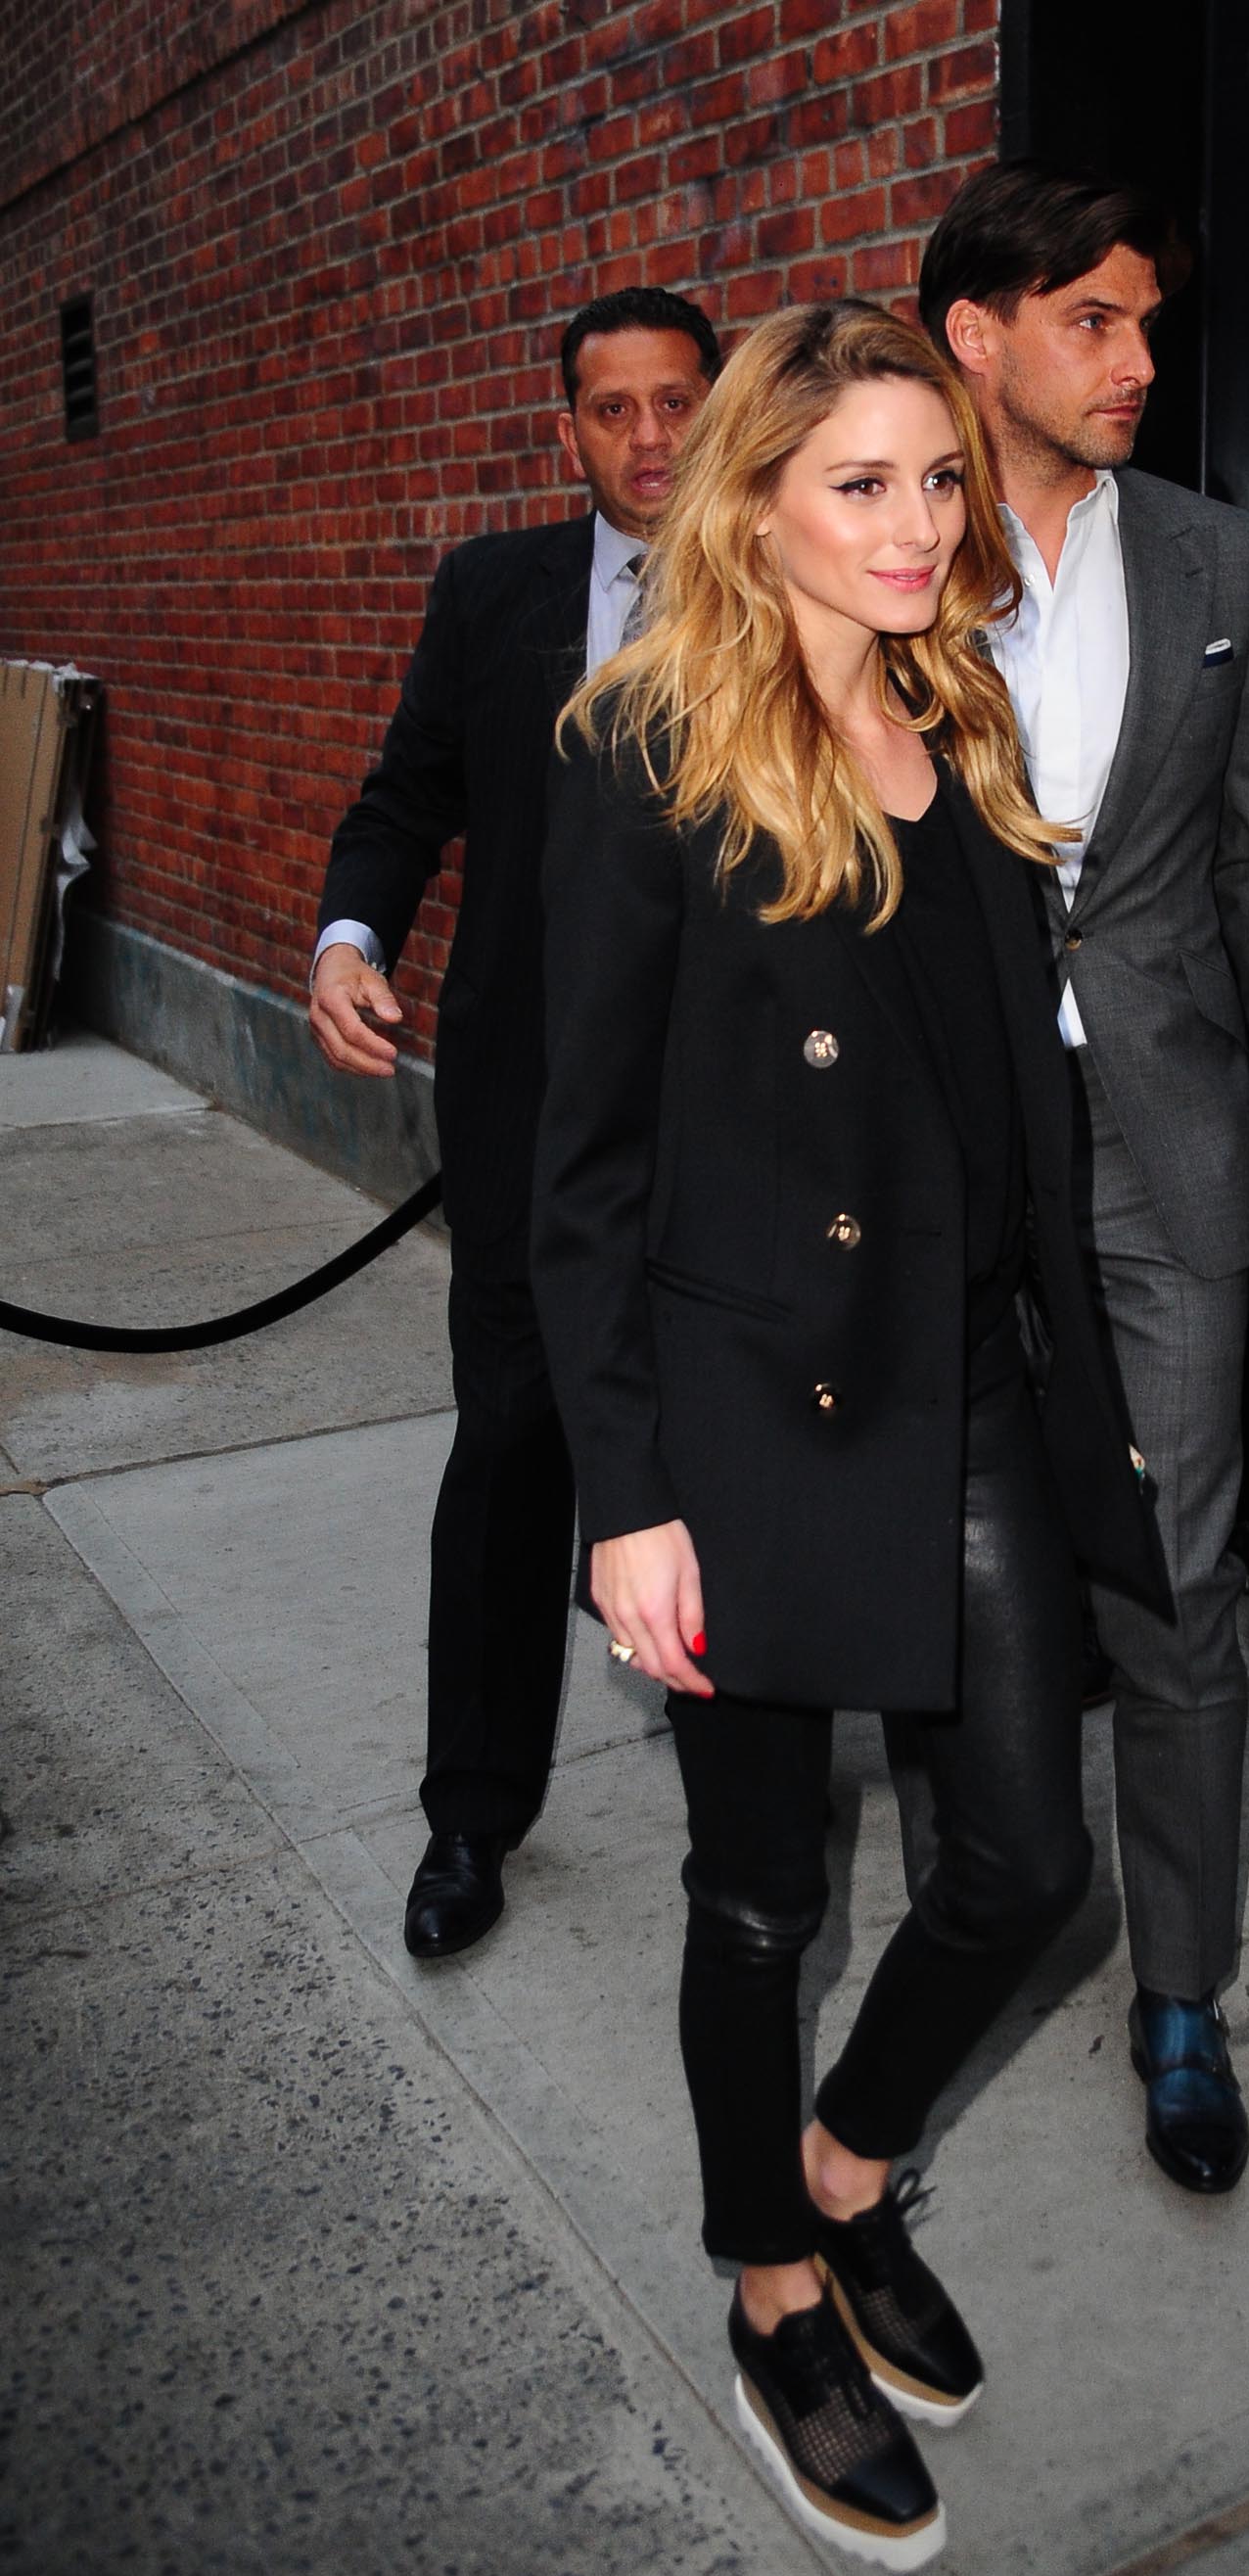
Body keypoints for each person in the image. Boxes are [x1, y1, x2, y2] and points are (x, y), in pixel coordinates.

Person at [531, 301, 1162, 2571]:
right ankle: (774, 2277)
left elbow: (1011, 1078)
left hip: (972, 1368)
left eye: (933, 479)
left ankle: (843, 2163)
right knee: (763, 1886)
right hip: (753, 1401)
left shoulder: (956, 703)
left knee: (1023, 1860)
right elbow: (577, 1166)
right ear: (758, 500)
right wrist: (627, 1495)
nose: (915, 524)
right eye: (861, 483)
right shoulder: (648, 753)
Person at [920, 163, 1249, 2199]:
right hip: (939, 1147)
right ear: (977, 336)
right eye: (1094, 319)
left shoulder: (1219, 555)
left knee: (1181, 1581)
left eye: (1146, 321)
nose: (1139, 359)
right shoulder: (877, 547)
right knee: (951, 1568)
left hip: (1174, 1139)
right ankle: (969, 1954)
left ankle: (1183, 1991)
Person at [307, 289, 720, 1958]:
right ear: (568, 429)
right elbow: (407, 793)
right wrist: (350, 935)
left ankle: (743, 1826)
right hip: (530, 1121)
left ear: (720, 404)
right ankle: (470, 1819)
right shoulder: (492, 593)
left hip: (732, 1131)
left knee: (719, 1465)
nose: (645, 437)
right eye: (608, 408)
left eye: (674, 400)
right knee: (510, 1458)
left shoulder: (804, 585)